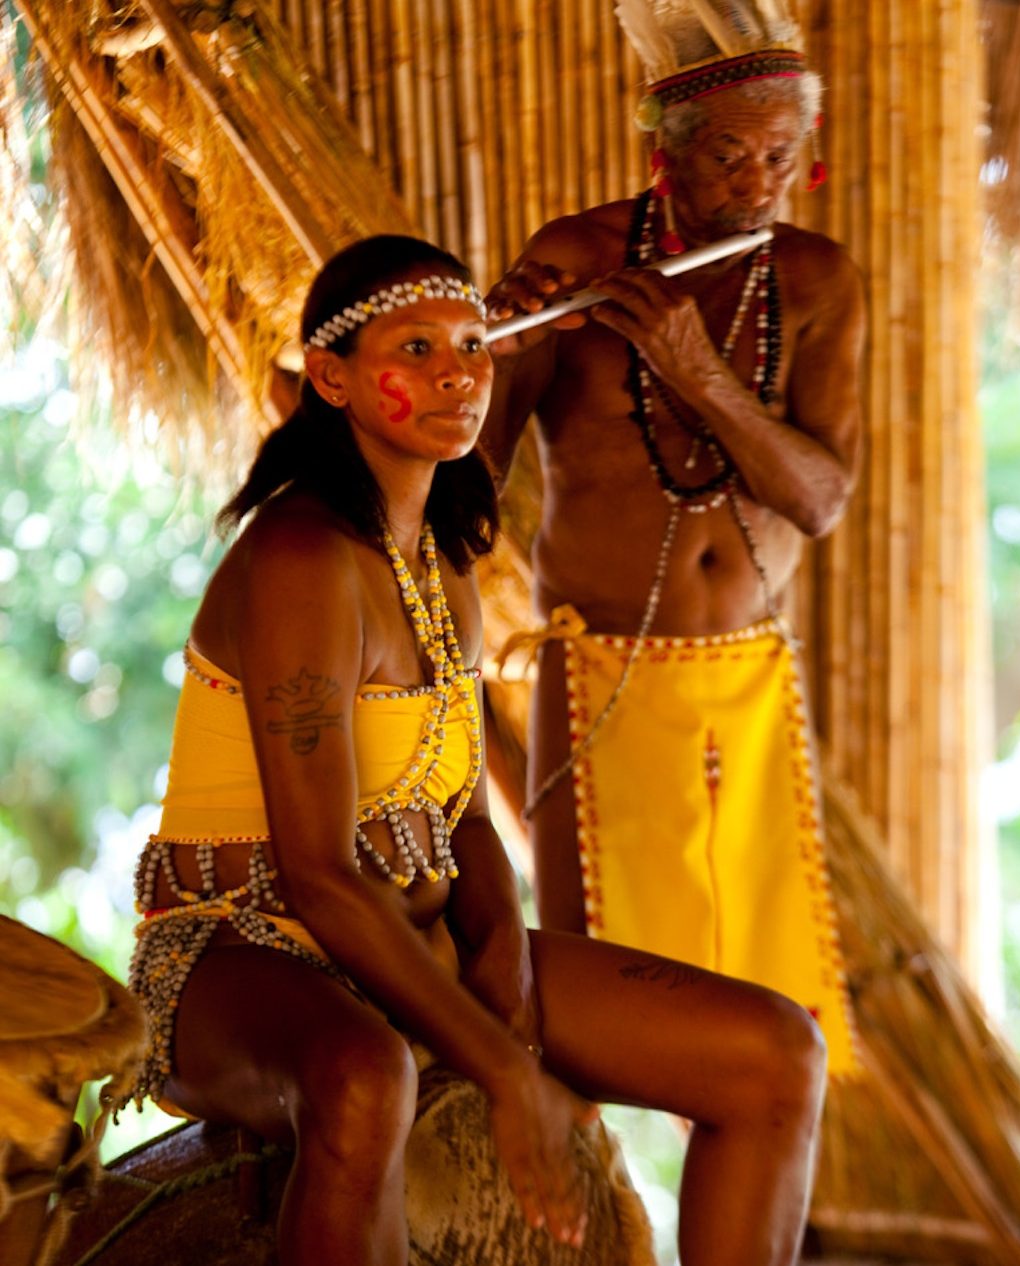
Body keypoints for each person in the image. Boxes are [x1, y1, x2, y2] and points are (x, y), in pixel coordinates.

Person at [121, 234, 827, 1266]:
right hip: (240, 956)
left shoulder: (438, 563)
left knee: (773, 1052)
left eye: (473, 344)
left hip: (419, 950)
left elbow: (457, 816)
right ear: (332, 379)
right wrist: (500, 1065)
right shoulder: (300, 556)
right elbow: (317, 877)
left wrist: (499, 955)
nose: (457, 374)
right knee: (366, 1079)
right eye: (415, 349)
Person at [482, 3, 866, 1074]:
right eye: (730, 158)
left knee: (771, 1017)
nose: (755, 186)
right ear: (667, 153)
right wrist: (501, 342)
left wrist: (695, 376)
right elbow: (470, 467)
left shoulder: (818, 281)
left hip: (747, 672)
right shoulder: (576, 255)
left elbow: (820, 496)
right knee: (578, 996)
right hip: (596, 665)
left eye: (779, 158)